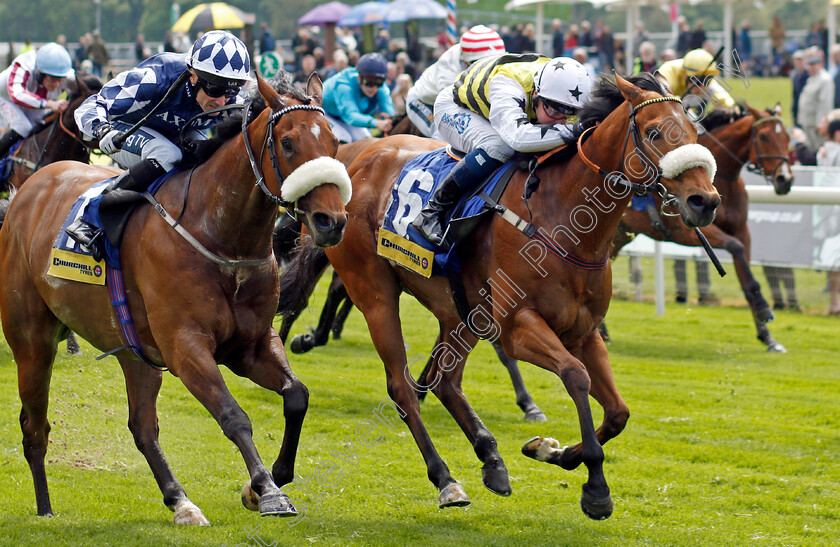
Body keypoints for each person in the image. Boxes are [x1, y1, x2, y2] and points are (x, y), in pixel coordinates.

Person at [65, 31, 252, 252]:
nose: (222, 101)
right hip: (123, 130)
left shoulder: (234, 102)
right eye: (215, 89)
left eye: (231, 91)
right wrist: (102, 130)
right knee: (168, 154)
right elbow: (89, 105)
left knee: (211, 156)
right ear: (192, 75)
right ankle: (92, 216)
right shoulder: (157, 77)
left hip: (174, 134)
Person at [413, 54, 592, 246]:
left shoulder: (569, 90)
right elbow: (517, 137)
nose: (560, 120)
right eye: (555, 111)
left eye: (570, 113)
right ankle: (432, 211)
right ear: (536, 94)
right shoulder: (508, 84)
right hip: (454, 107)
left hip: (493, 108)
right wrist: (578, 128)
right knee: (499, 146)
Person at [406, 25, 506, 139]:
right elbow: (451, 107)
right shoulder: (449, 72)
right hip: (425, 101)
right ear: (466, 62)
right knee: (444, 137)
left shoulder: (470, 55)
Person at [0, 42, 74, 160]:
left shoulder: (65, 71)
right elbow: (17, 94)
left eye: (59, 79)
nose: (56, 84)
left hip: (32, 100)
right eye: (52, 79)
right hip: (6, 98)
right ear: (39, 73)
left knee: (41, 127)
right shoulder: (23, 65)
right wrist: (50, 104)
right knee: (23, 127)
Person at [322, 52, 394, 143]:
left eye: (379, 82)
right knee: (344, 138)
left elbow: (389, 113)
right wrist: (377, 122)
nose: (374, 88)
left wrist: (388, 121)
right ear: (359, 78)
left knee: (366, 140)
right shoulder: (343, 85)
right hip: (324, 112)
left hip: (342, 116)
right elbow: (350, 116)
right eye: (370, 83)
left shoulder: (382, 88)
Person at [655, 48, 736, 116]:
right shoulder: (667, 73)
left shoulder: (705, 80)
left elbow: (723, 99)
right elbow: (656, 102)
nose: (702, 87)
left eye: (707, 81)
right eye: (698, 82)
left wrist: (733, 108)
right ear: (685, 75)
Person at [798, 49, 834, 150]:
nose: (811, 67)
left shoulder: (824, 79)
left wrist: (821, 123)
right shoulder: (812, 79)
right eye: (809, 64)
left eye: (814, 64)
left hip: (817, 126)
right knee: (810, 150)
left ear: (821, 63)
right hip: (808, 124)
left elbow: (825, 103)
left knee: (818, 150)